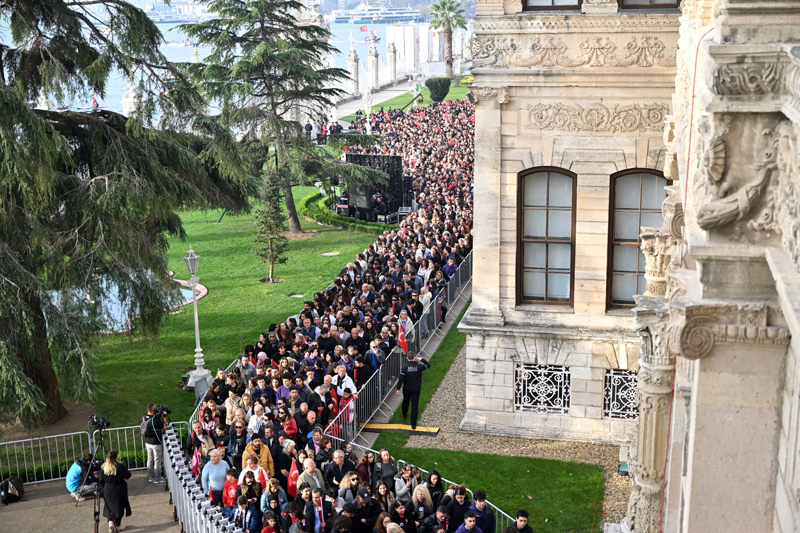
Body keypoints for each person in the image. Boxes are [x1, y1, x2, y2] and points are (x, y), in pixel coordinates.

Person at [97, 450, 132, 532]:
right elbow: (128, 475)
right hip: (119, 489)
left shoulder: (103, 466)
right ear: (116, 457)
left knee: (109, 507)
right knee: (118, 507)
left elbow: (100, 479)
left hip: (108, 489)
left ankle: (111, 524)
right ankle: (118, 526)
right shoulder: (119, 466)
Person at [396, 351, 430, 430]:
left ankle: (404, 413)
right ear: (414, 357)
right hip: (416, 388)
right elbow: (428, 365)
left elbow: (401, 379)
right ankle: (413, 424)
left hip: (407, 388)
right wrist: (421, 359)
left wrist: (398, 388)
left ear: (407, 358)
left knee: (406, 401)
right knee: (415, 405)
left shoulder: (404, 367)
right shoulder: (419, 367)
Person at [143, 403, 167, 484]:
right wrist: (164, 417)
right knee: (157, 461)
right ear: (153, 410)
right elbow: (164, 427)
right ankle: (157, 478)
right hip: (156, 444)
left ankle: (151, 477)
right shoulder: (156, 420)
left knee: (150, 459)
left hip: (147, 442)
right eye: (155, 408)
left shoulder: (144, 417)